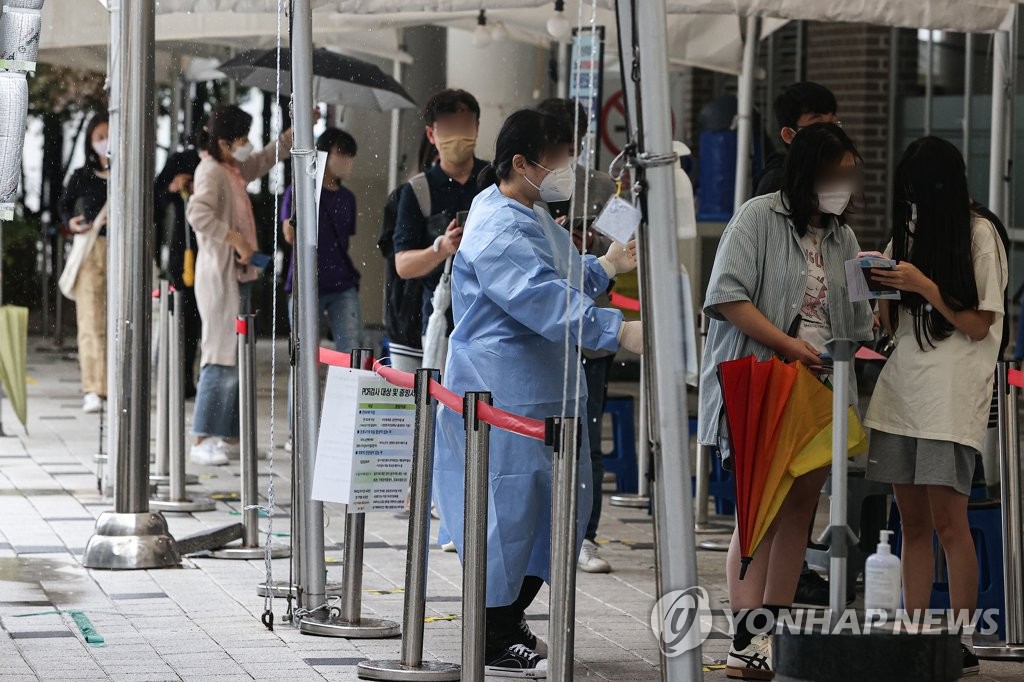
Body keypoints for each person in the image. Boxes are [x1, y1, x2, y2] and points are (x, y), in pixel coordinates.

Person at [433, 108, 642, 677]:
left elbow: (560, 273)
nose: (567, 169)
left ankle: (507, 618)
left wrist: (603, 266)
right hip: (505, 395)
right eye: (558, 157)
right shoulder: (498, 224)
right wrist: (614, 330)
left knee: (551, 515)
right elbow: (538, 297)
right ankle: (493, 630)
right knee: (509, 516)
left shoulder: (527, 211)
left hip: (542, 391)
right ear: (521, 161)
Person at [698, 123, 873, 679]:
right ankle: (745, 642)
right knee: (760, 514)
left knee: (799, 510)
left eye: (848, 174)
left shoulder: (843, 238)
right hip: (765, 382)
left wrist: (874, 312)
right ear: (806, 173)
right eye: (834, 173)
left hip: (822, 387)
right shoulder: (758, 217)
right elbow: (726, 295)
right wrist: (789, 345)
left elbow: (857, 320)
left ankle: (773, 635)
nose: (843, 184)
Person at [864, 137, 1009, 677]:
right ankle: (916, 629)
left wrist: (924, 286)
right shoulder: (906, 233)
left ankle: (964, 639)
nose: (914, 201)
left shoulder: (980, 234)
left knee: (952, 522)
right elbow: (889, 327)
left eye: (920, 191)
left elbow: (977, 325)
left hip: (949, 398)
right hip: (902, 392)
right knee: (911, 521)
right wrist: (877, 293)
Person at [536, 97, 618, 574]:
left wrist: (592, 245)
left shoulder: (604, 186)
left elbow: (622, 246)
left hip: (589, 324)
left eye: (571, 143)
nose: (565, 153)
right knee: (536, 436)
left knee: (587, 432)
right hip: (541, 328)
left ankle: (584, 534)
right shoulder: (526, 185)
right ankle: (541, 528)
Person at [186, 106, 292, 466]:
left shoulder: (230, 169)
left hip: (238, 275)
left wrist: (293, 134)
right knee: (220, 356)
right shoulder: (211, 171)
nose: (247, 144)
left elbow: (261, 161)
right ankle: (202, 437)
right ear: (223, 141)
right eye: (242, 138)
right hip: (220, 276)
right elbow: (197, 214)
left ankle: (229, 437)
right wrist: (236, 240)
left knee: (236, 356)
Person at [393, 89, 488, 354]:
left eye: (464, 125)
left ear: (477, 128)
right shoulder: (417, 191)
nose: (458, 134)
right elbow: (403, 265)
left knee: (487, 397)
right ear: (431, 134)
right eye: (448, 127)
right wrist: (442, 248)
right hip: (442, 323)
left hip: (493, 321)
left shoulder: (494, 181)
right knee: (444, 396)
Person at [280, 127, 362, 353]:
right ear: (324, 152)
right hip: (306, 283)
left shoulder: (348, 198)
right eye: (341, 152)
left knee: (352, 352)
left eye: (350, 155)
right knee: (303, 357)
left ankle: (347, 390)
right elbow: (289, 235)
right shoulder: (298, 190)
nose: (346, 160)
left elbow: (345, 243)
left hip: (342, 284)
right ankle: (302, 391)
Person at [58, 112, 110, 414]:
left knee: (117, 320)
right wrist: (71, 222)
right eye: (99, 137)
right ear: (90, 142)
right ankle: (93, 387)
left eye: (109, 136)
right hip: (91, 249)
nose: (105, 142)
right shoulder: (82, 175)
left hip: (121, 250)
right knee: (90, 322)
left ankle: (113, 384)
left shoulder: (128, 171)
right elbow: (64, 206)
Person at [379, 134, 437, 372]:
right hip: (408, 316)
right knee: (413, 401)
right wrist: (434, 250)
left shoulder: (477, 192)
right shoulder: (407, 194)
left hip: (447, 319)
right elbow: (394, 255)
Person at [155, 142, 202, 398]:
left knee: (203, 324)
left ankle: (194, 378)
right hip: (184, 252)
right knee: (185, 320)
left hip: (209, 253)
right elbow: (156, 198)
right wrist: (174, 187)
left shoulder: (225, 165)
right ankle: (180, 378)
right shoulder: (181, 161)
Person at [755, 82, 838, 197]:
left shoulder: (830, 172)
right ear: (789, 135)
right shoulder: (778, 183)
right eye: (818, 124)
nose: (830, 132)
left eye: (833, 123)